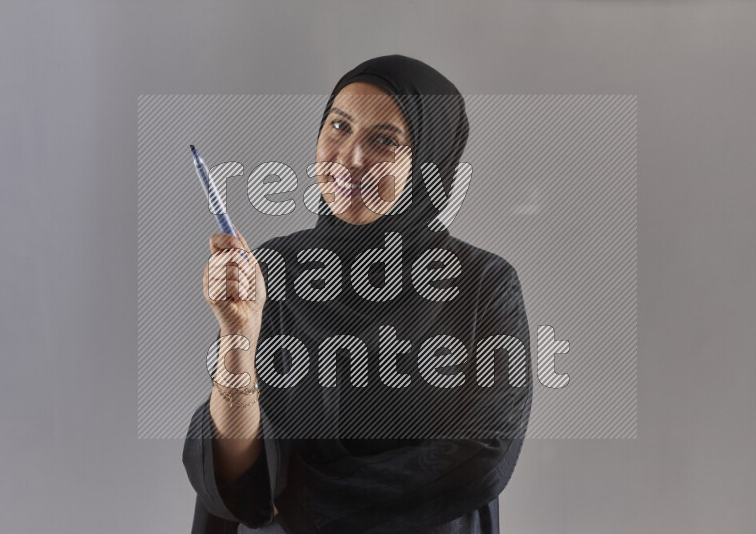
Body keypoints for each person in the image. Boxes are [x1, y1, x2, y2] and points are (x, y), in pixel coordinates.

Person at [183, 55, 533, 534]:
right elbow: (240, 476)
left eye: (383, 140)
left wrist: (305, 504)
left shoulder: (482, 284)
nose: (350, 158)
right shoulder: (273, 269)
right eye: (339, 127)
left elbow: (483, 457)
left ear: (428, 165)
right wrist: (237, 336)